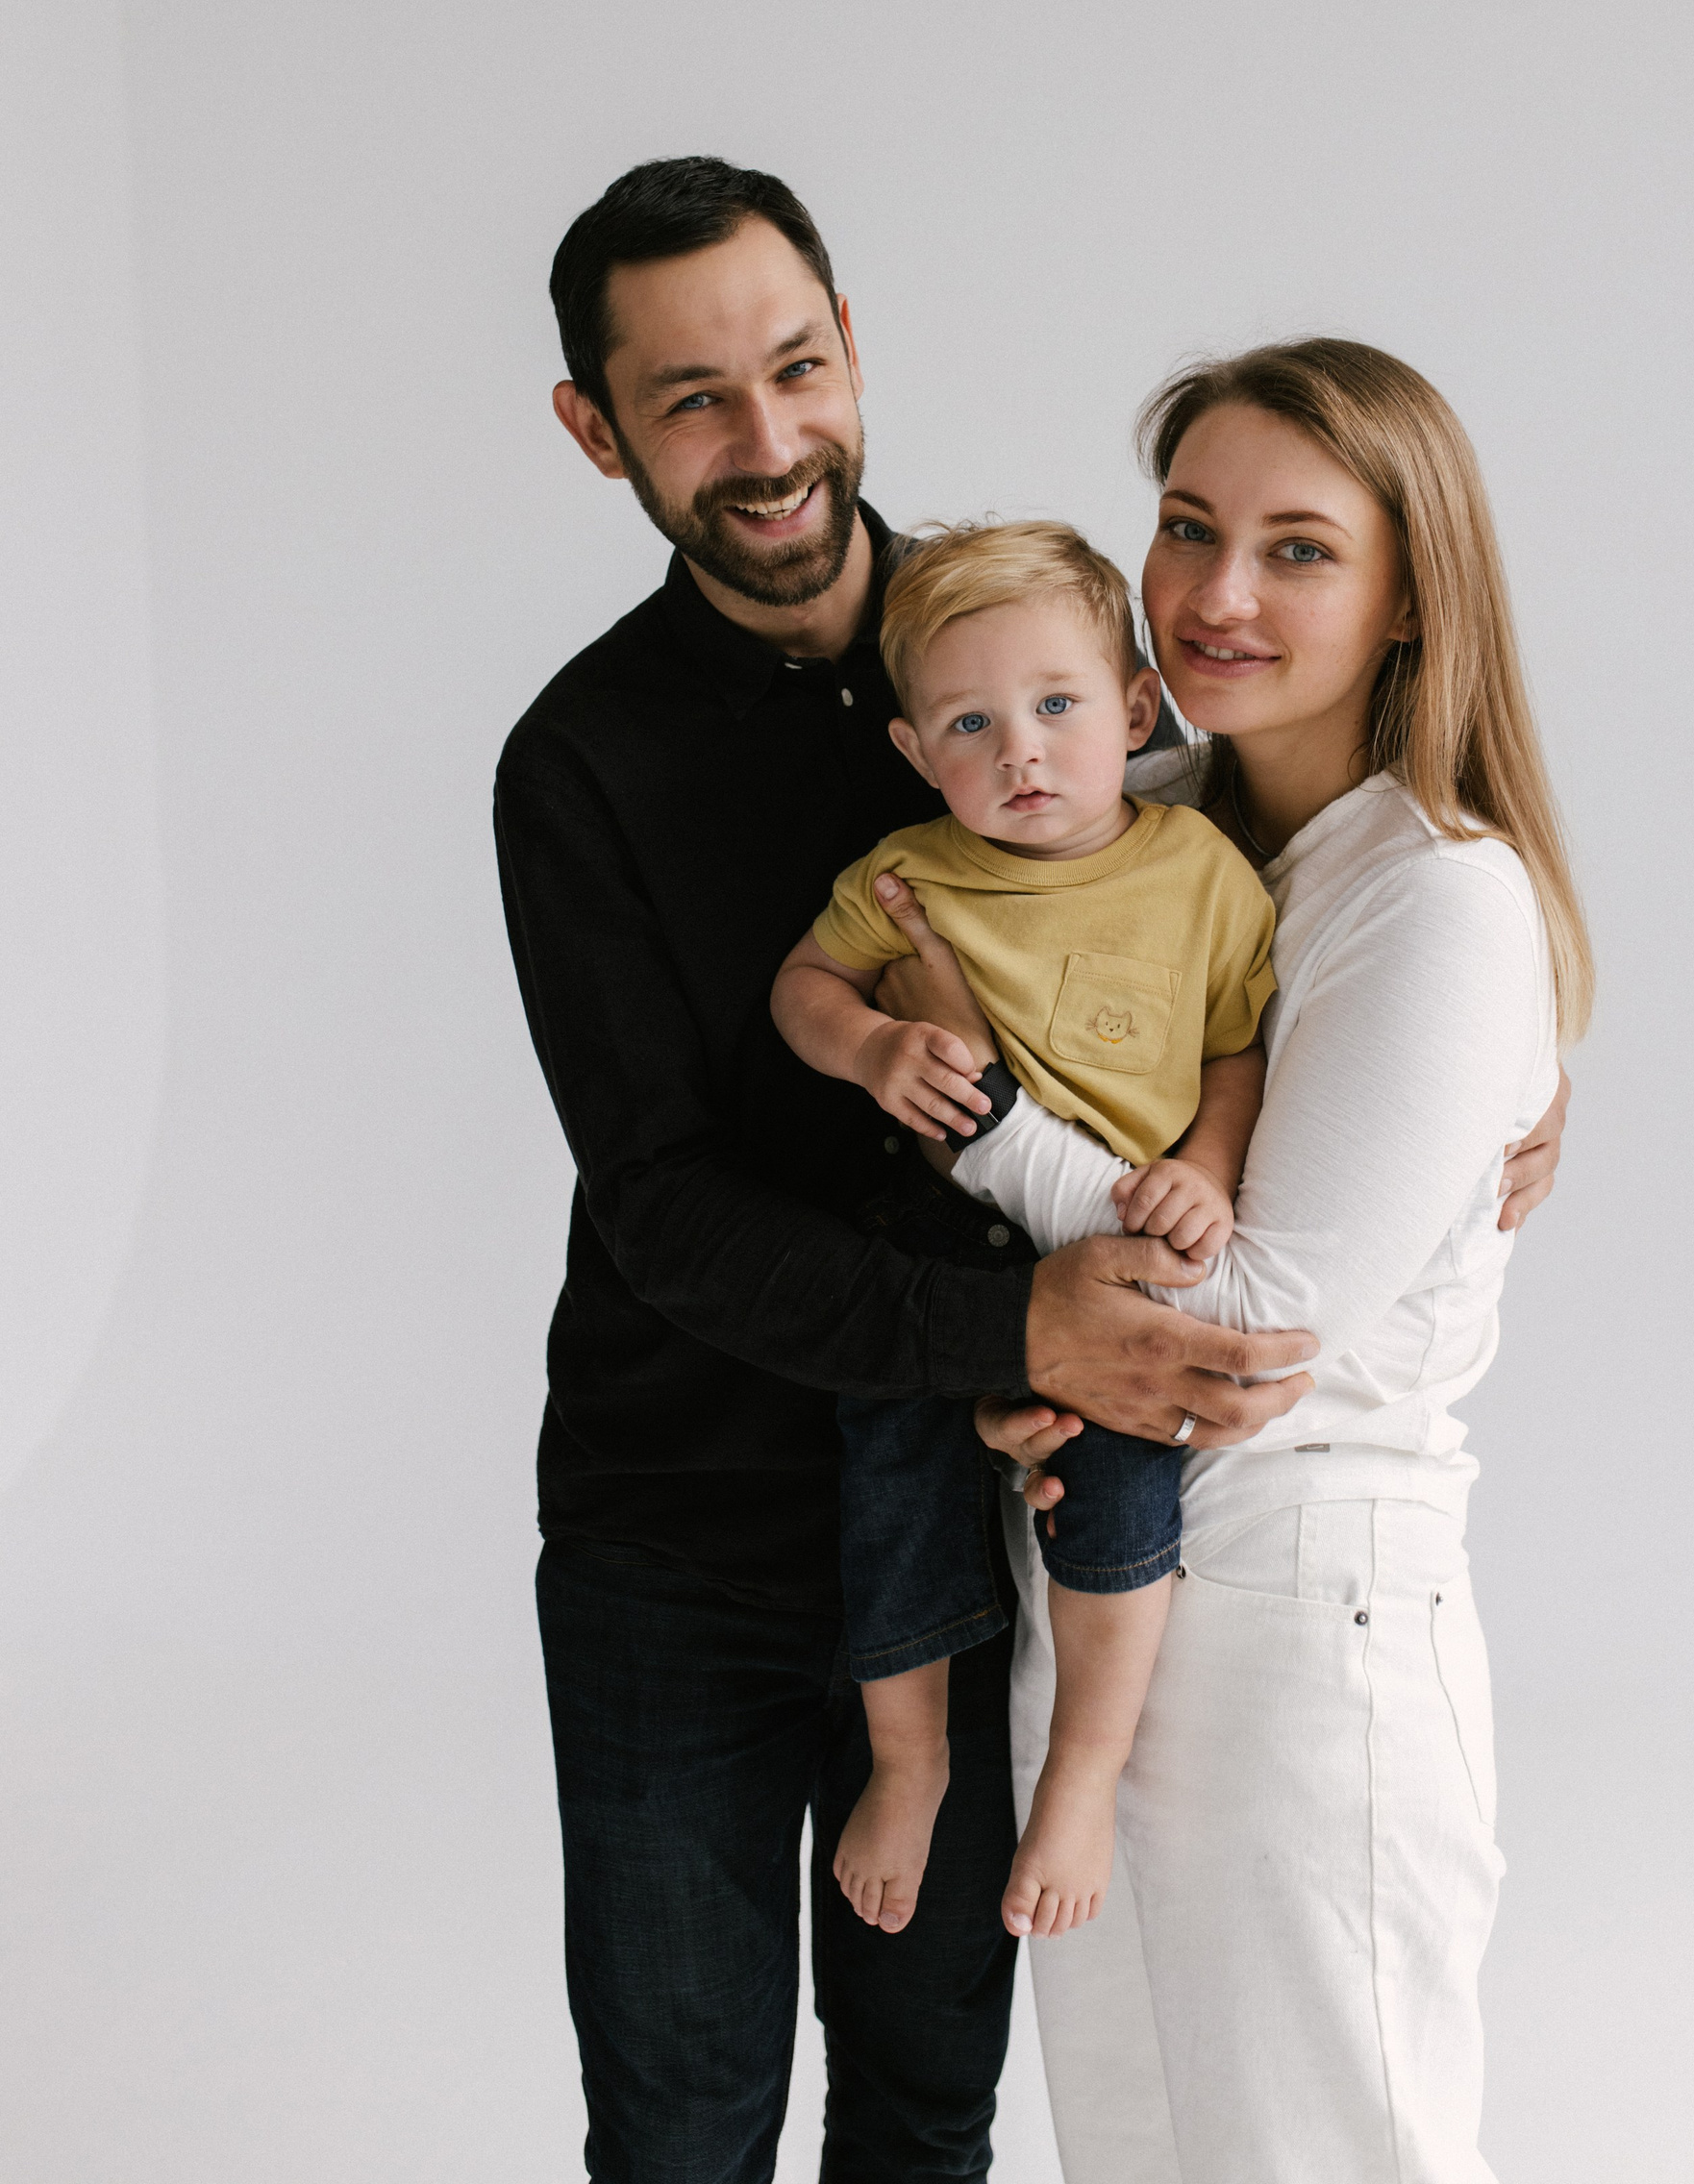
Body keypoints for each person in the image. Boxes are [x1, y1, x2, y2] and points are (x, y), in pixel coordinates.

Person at [491, 155, 1322, 2184]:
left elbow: (1290, 856)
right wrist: (1015, 1324)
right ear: (595, 429)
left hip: (974, 1535)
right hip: (681, 1538)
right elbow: (663, 1206)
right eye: (692, 400)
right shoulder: (581, 761)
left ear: (853, 348)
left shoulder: (1028, 635)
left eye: (796, 366)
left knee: (929, 2117)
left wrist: (1514, 1060)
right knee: (682, 2133)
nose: (770, 441)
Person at [882, 336, 1587, 2182]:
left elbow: (1255, 1324)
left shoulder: (1437, 894)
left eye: (1299, 549)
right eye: (1190, 527)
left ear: (1413, 591)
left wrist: (976, 1114)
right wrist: (1017, 1357)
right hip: (1104, 1594)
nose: (1217, 594)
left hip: (1303, 1626)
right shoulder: (1141, 831)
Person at [770, 520, 1277, 1944]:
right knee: (891, 1459)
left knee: (1123, 1485)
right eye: (970, 725)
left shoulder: (1201, 870)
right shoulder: (909, 876)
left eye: (1057, 705)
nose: (1021, 754)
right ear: (914, 751)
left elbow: (1236, 1048)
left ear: (1135, 708)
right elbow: (804, 987)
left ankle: (1083, 1772)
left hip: (1112, 1249)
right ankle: (911, 1759)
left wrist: (1207, 1168)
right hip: (939, 1251)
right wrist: (871, 1046)